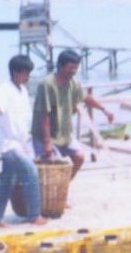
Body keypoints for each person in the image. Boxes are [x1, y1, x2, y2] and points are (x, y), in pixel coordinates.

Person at [0, 55, 47, 227]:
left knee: (7, 182)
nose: (27, 76)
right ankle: (34, 215)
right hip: (8, 145)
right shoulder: (5, 88)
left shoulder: (23, 90)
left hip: (19, 143)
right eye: (25, 73)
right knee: (31, 172)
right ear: (15, 72)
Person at [32, 49, 114, 180]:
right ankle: (51, 195)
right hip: (45, 135)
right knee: (50, 169)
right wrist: (47, 142)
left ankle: (63, 187)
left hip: (64, 133)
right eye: (70, 68)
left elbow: (86, 98)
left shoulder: (73, 83)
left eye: (76, 68)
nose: (73, 71)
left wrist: (104, 110)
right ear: (60, 66)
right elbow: (44, 115)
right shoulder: (47, 84)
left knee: (79, 157)